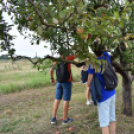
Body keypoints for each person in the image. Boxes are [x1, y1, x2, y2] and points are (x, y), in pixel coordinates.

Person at [87, 41, 116, 134]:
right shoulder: (106, 55)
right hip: (112, 92)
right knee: (112, 118)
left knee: (104, 123)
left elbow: (89, 82)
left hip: (103, 96)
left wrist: (87, 84)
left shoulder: (93, 62)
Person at [50, 50, 75, 125]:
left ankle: (53, 119)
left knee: (57, 99)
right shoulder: (68, 58)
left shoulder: (57, 61)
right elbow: (77, 54)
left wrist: (52, 78)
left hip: (59, 82)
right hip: (67, 82)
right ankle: (65, 119)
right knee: (66, 100)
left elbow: (51, 69)